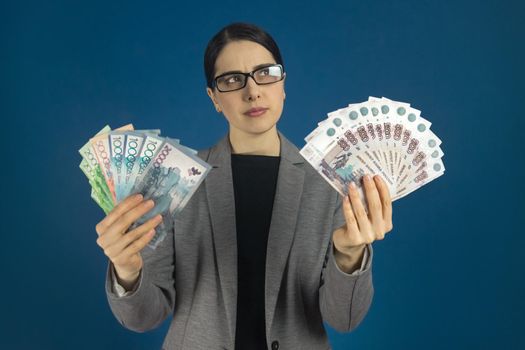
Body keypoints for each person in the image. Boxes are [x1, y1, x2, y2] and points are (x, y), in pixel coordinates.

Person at [95, 22, 393, 350]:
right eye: (232, 79)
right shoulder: (178, 180)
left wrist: (349, 255)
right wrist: (127, 270)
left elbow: (344, 319)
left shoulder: (329, 181)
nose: (252, 91)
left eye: (265, 73)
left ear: (283, 84)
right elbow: (144, 318)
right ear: (214, 98)